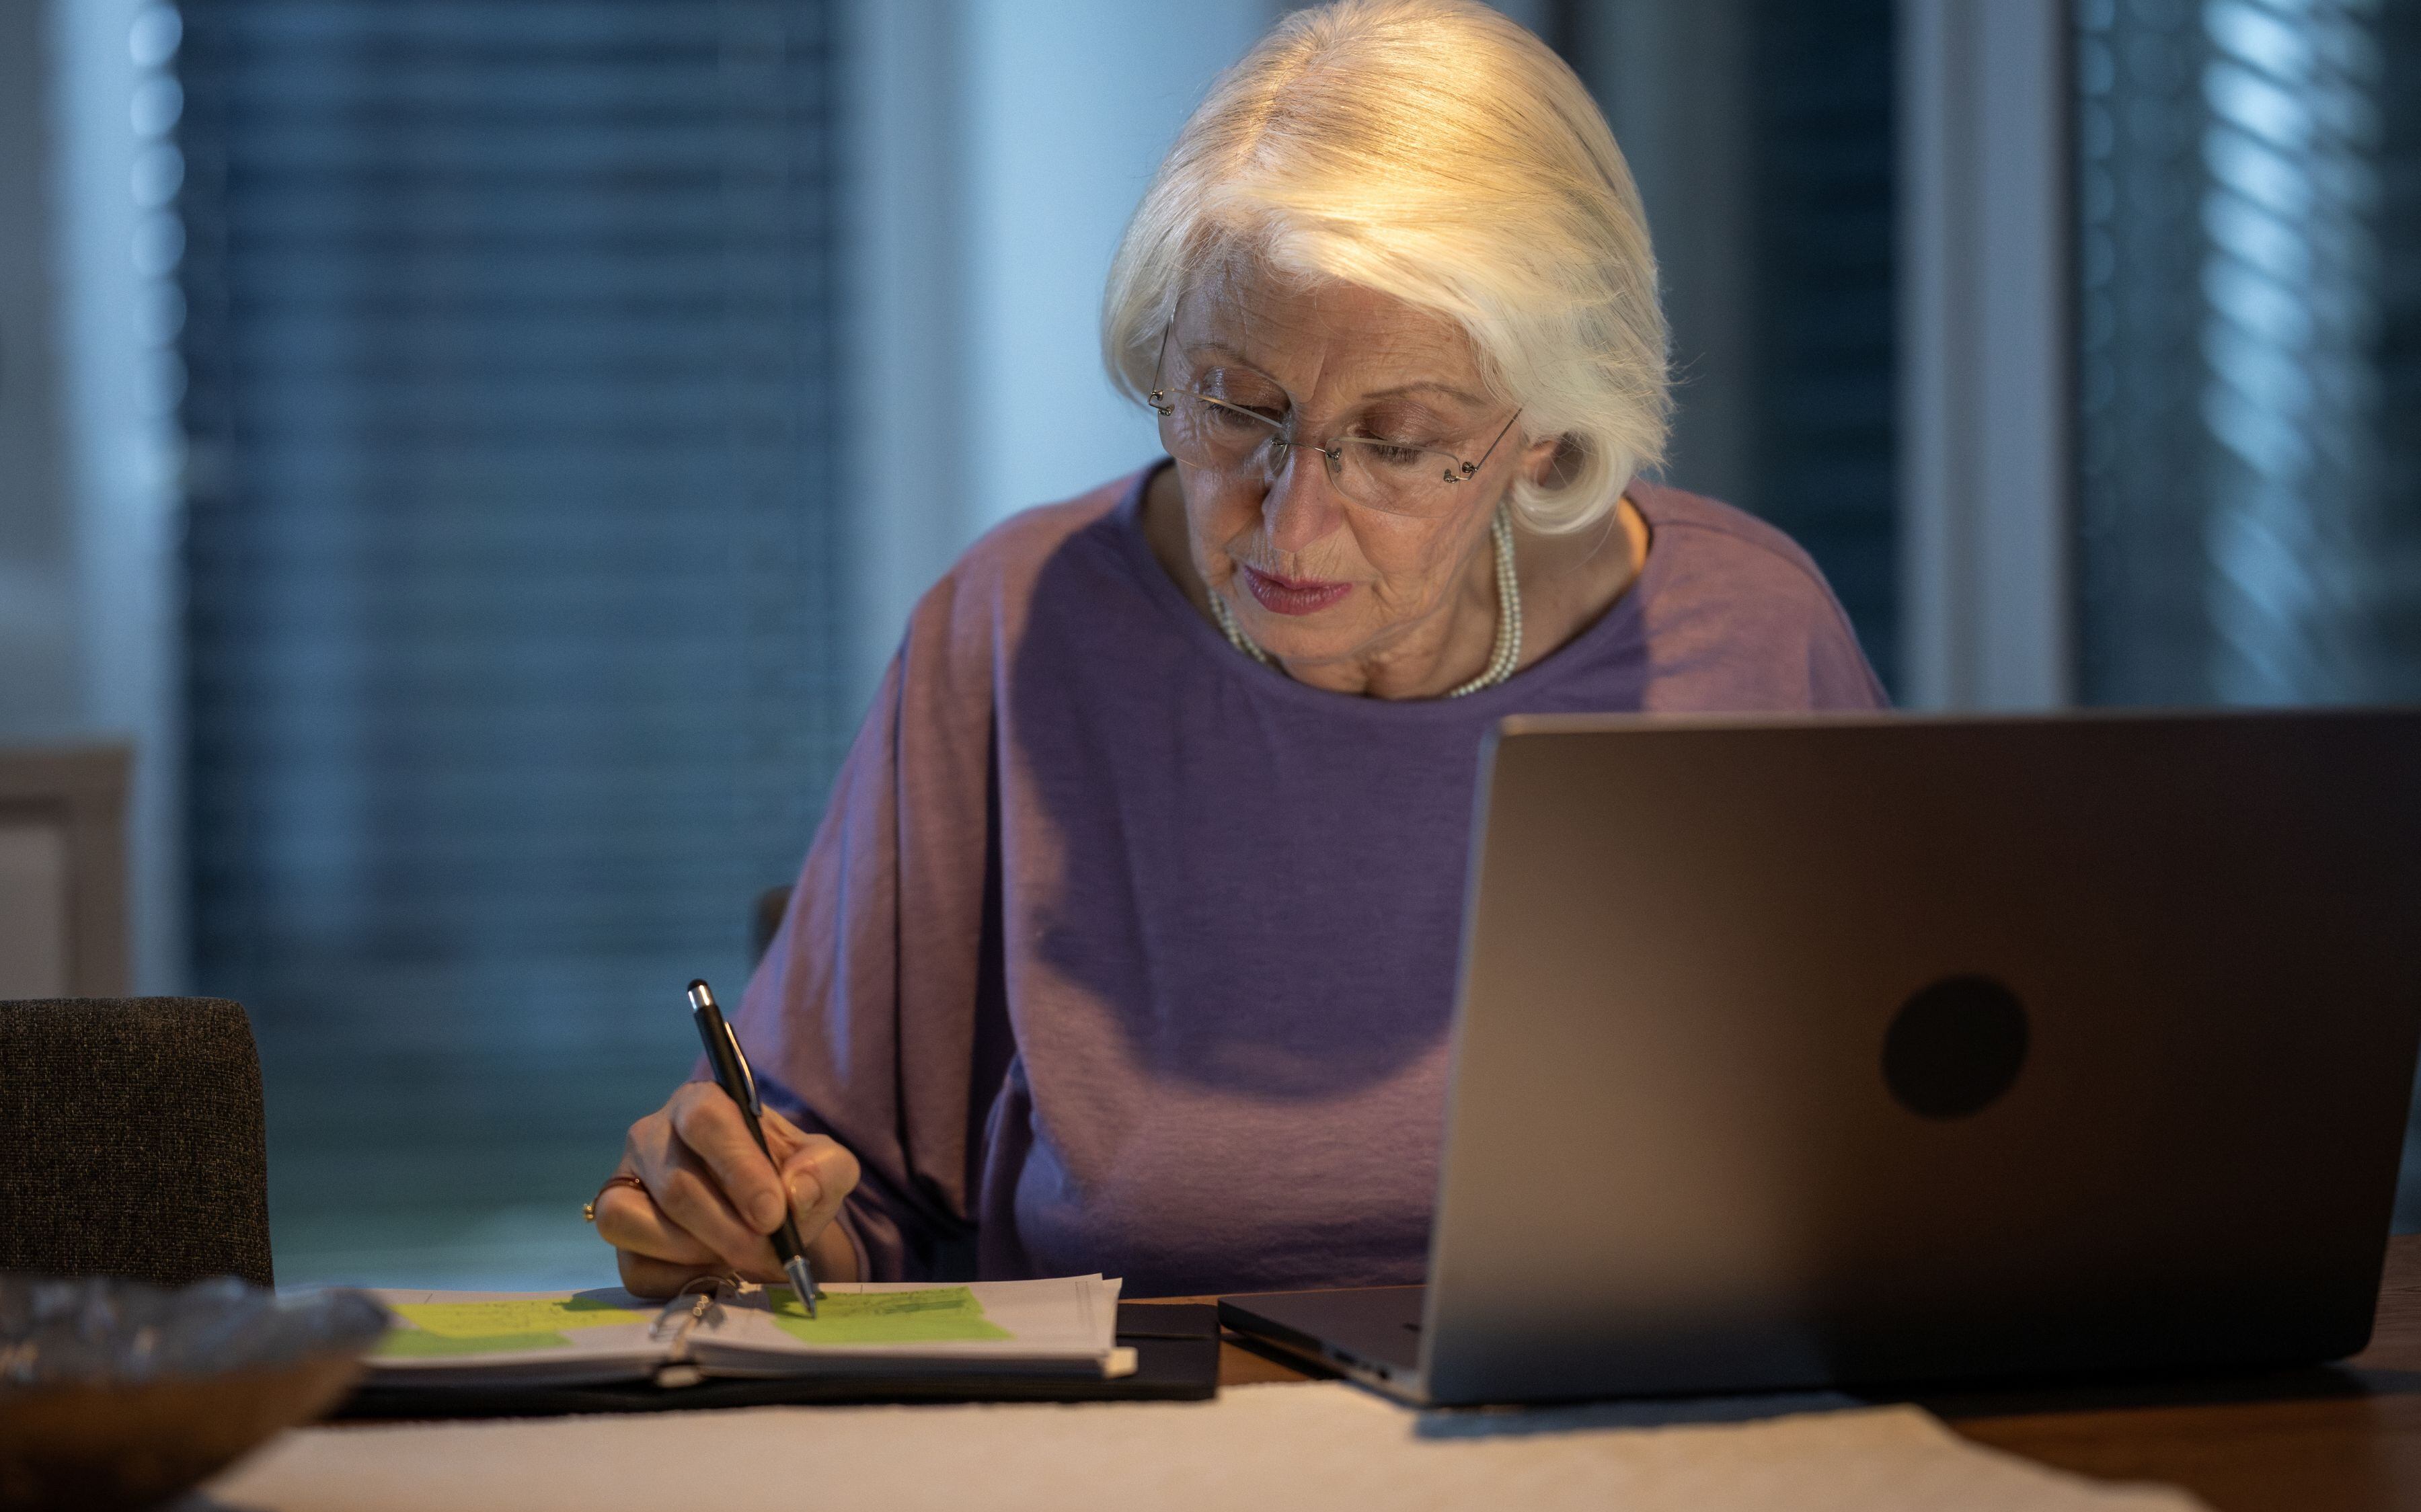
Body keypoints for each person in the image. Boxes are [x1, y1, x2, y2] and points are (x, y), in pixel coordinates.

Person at [590, 0, 1886, 1299]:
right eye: (1233, 405)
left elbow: (1907, 1147)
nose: (1292, 519)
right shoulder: (1014, 626)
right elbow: (838, 1200)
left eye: (1395, 439)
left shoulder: (1749, 637)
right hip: (1148, 1461)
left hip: (1643, 1442)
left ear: (1547, 431)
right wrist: (744, 1214)